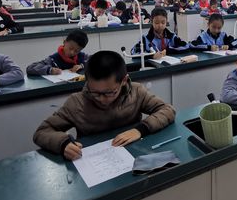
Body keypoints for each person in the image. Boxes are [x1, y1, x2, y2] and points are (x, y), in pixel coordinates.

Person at [33, 50, 176, 158]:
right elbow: (42, 132)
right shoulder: (77, 103)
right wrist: (63, 144)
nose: (101, 99)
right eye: (95, 92)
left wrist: (140, 130)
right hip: (92, 162)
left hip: (134, 155)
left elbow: (167, 109)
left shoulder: (136, 91)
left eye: (109, 93)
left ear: (124, 81)